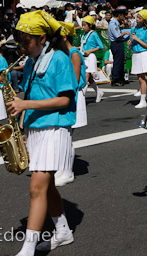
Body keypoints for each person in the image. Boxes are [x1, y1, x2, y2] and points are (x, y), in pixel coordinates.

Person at [5, 10, 77, 255]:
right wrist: (21, 120)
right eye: (21, 42)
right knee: (46, 187)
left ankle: (28, 248)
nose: (22, 47)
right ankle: (63, 231)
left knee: (36, 188)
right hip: (36, 128)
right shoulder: (32, 63)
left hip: (55, 128)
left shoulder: (60, 59)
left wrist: (25, 105)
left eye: (27, 42)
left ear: (43, 38)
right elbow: (31, 95)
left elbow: (65, 100)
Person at [55, 22, 87, 186]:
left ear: (64, 36)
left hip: (73, 95)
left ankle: (68, 171)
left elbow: (74, 79)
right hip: (66, 94)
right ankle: (61, 168)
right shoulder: (62, 53)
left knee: (66, 134)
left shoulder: (74, 53)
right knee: (62, 134)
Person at [130, 9, 147, 109]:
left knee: (142, 77)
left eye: (140, 18)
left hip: (144, 54)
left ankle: (143, 100)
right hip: (136, 54)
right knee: (143, 76)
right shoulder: (133, 29)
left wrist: (137, 39)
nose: (137, 19)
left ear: (144, 20)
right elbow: (132, 41)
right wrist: (131, 42)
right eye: (137, 17)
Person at [81, 15, 105, 102]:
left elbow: (100, 46)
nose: (83, 27)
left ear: (90, 25)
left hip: (90, 57)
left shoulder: (94, 34)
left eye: (84, 25)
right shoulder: (84, 34)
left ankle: (82, 96)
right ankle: (98, 91)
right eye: (82, 25)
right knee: (89, 78)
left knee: (86, 76)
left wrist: (90, 50)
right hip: (84, 56)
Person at [108, 8, 131, 86]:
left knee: (121, 62)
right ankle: (115, 79)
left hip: (118, 43)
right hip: (116, 44)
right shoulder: (113, 23)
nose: (124, 17)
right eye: (123, 15)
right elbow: (117, 36)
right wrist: (125, 33)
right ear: (120, 15)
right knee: (118, 62)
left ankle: (121, 78)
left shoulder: (116, 23)